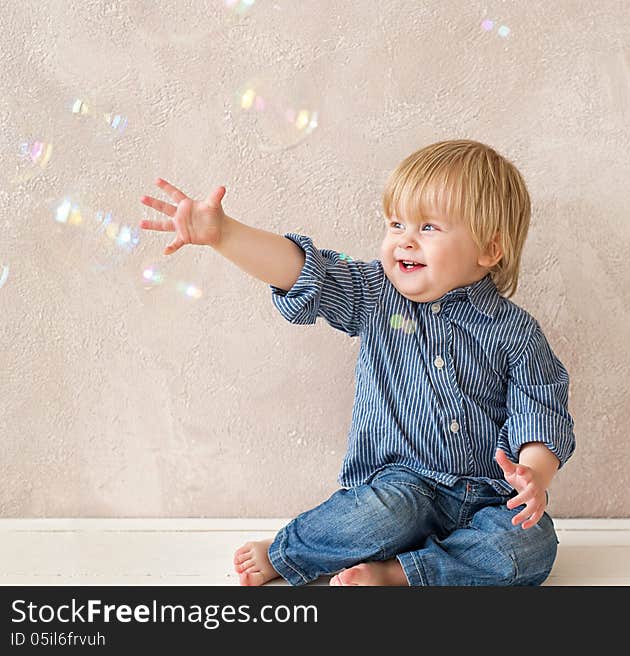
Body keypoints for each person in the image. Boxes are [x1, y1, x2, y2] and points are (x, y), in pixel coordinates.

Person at [139, 139, 575, 586]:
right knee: (378, 518)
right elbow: (308, 271)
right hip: (402, 488)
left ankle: (400, 574)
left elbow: (539, 409)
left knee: (532, 546)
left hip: (488, 497)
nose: (404, 238)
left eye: (428, 227)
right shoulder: (375, 293)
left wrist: (532, 476)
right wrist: (224, 234)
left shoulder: (517, 332)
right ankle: (287, 551)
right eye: (396, 223)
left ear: (488, 249)